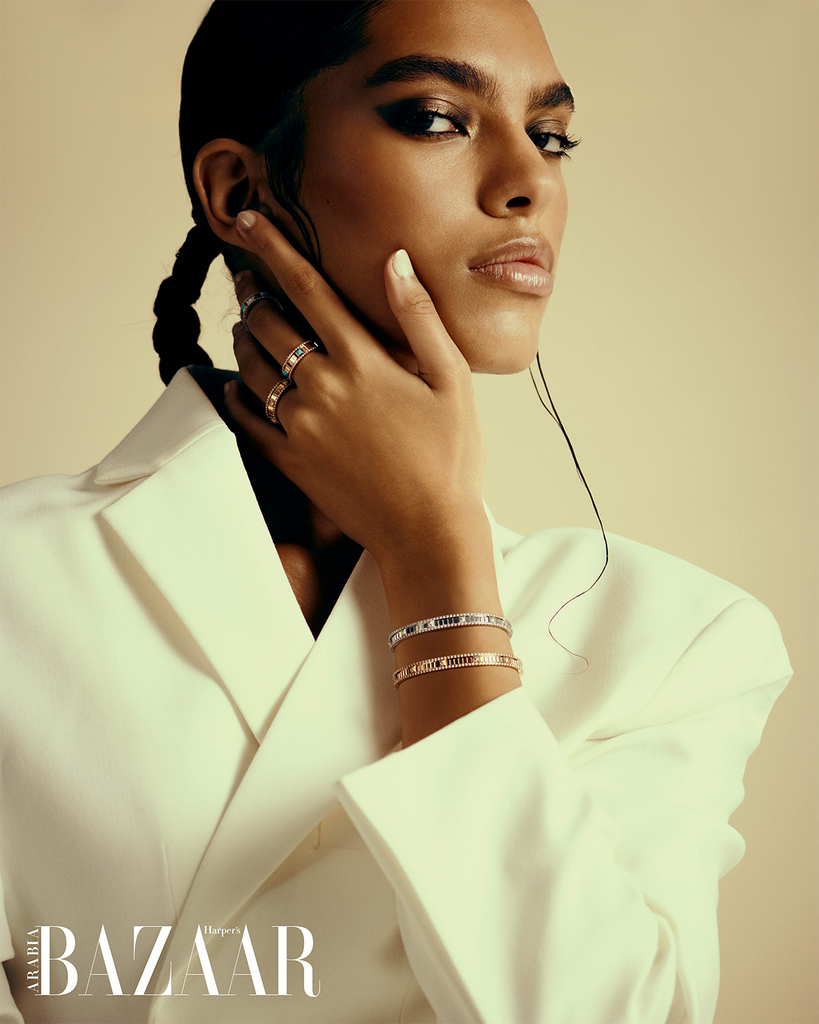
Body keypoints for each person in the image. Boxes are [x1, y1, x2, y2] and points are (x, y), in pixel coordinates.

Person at [0, 0, 792, 1022]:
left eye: (552, 136)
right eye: (435, 115)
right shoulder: (19, 580)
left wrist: (435, 550)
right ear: (239, 190)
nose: (528, 182)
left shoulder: (678, 640)